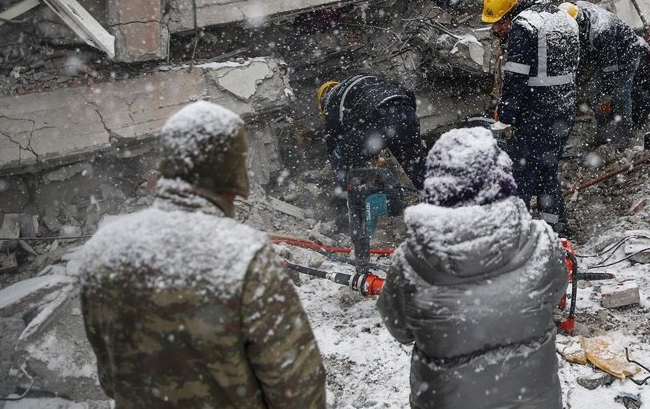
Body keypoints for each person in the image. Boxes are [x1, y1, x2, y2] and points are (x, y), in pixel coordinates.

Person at [77, 101, 326, 408]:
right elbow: (298, 389)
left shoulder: (103, 251)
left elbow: (111, 378)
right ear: (232, 172)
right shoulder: (246, 256)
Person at [377, 127, 568, 409]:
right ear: (502, 179)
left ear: (437, 189)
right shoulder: (542, 243)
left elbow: (401, 330)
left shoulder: (409, 263)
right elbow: (554, 293)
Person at [482, 0, 579, 236]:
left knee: (521, 176)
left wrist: (506, 115)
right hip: (564, 111)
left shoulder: (525, 24)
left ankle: (519, 236)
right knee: (548, 172)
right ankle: (556, 229)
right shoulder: (565, 18)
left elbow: (516, 78)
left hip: (536, 115)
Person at [318, 74, 427, 202]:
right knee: (415, 165)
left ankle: (346, 207)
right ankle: (439, 203)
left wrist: (342, 165)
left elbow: (333, 145)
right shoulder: (364, 79)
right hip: (405, 111)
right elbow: (405, 90)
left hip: (376, 118)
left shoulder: (332, 102)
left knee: (341, 157)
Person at [560, 0, 650, 148]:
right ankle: (604, 134)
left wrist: (606, 96)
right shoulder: (577, 11)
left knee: (620, 96)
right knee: (596, 96)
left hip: (626, 54)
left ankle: (623, 137)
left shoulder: (602, 31)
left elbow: (610, 67)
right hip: (602, 53)